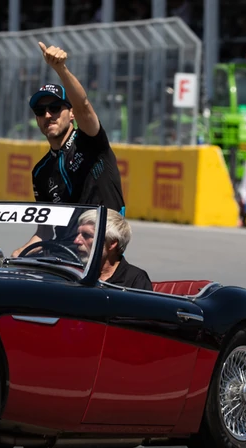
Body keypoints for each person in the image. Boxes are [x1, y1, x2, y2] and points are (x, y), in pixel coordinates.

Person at [12, 41, 125, 257]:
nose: (47, 115)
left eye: (55, 108)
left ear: (71, 113)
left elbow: (83, 105)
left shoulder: (91, 141)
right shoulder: (40, 172)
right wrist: (18, 254)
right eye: (40, 111)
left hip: (102, 254)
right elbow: (45, 232)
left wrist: (60, 69)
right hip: (64, 257)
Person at [74, 208, 152, 291]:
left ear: (111, 244)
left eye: (87, 235)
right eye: (77, 234)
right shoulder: (74, 273)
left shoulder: (135, 280)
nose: (76, 241)